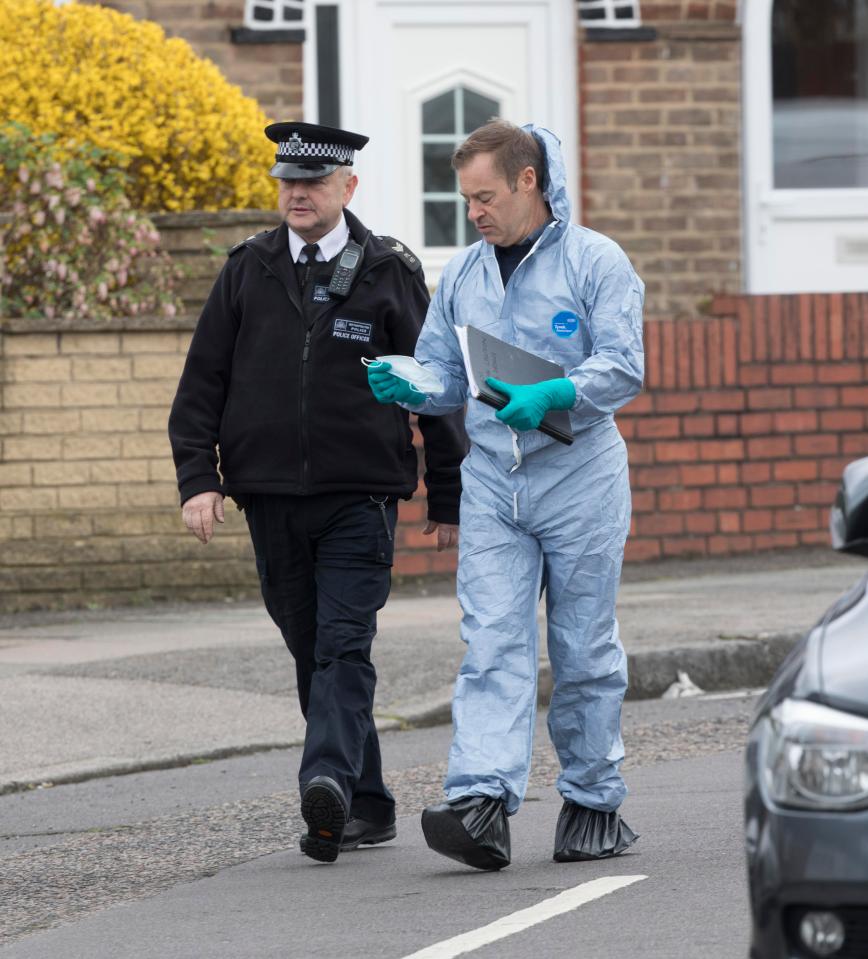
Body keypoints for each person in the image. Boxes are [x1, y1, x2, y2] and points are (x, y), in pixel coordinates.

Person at [168, 122, 467, 865]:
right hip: (266, 496)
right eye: (288, 182)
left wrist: (449, 493)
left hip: (359, 497)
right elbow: (202, 383)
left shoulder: (388, 270)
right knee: (308, 646)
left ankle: (325, 778)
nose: (297, 194)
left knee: (342, 643)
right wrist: (198, 480)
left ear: (348, 188)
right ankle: (364, 802)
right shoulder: (248, 269)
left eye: (313, 183)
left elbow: (437, 385)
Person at [368, 120, 644, 870]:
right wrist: (411, 383)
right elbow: (445, 373)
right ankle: (481, 801)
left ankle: (592, 800)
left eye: (485, 196)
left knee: (581, 646)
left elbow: (624, 365)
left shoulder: (596, 261)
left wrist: (557, 390)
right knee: (492, 640)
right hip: (495, 480)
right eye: (466, 199)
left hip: (579, 476)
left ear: (529, 181)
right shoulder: (463, 274)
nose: (475, 212)